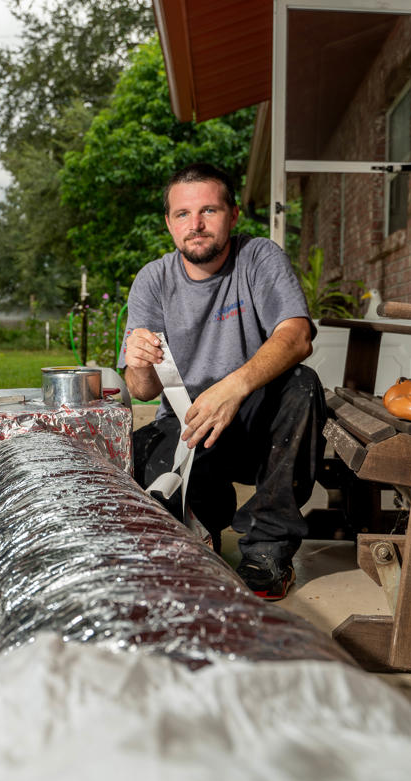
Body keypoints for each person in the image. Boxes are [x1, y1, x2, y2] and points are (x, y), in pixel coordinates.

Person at [120, 163, 326, 600]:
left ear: (233, 215)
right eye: (183, 214)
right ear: (169, 223)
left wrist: (232, 388)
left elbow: (297, 337)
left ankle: (269, 547)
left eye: (208, 211)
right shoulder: (153, 279)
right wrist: (137, 363)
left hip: (255, 422)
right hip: (188, 425)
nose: (195, 224)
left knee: (302, 385)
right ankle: (205, 522)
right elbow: (143, 390)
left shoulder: (258, 257)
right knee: (136, 465)